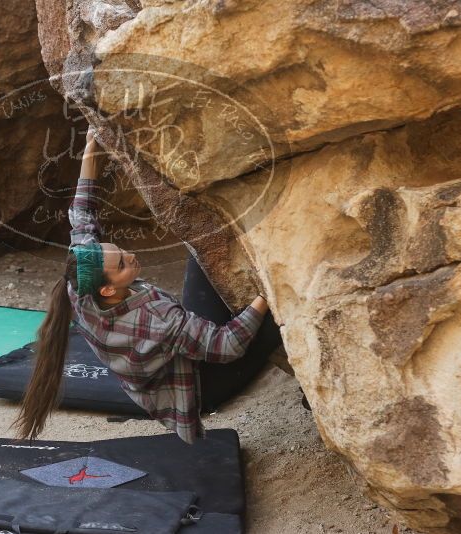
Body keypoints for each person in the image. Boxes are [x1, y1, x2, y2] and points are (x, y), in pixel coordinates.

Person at [15, 126, 273, 443]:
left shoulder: (81, 282)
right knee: (274, 321)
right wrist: (266, 291)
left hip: (166, 357)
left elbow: (83, 213)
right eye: (122, 264)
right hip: (203, 385)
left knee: (203, 247)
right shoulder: (157, 320)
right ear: (108, 289)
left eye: (119, 250)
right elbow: (226, 346)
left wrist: (91, 149)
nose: (130, 255)